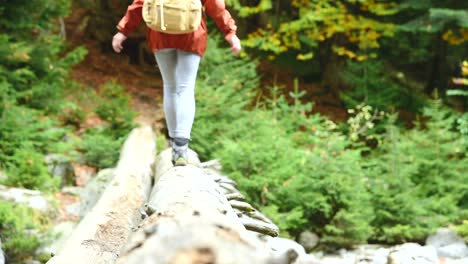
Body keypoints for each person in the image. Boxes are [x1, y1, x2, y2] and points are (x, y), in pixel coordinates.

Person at [112, 0, 241, 166]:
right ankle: (181, 148)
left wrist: (123, 31)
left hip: (160, 34)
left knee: (170, 87)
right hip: (191, 35)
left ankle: (174, 143)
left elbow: (140, 4)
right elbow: (216, 6)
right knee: (185, 89)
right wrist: (230, 32)